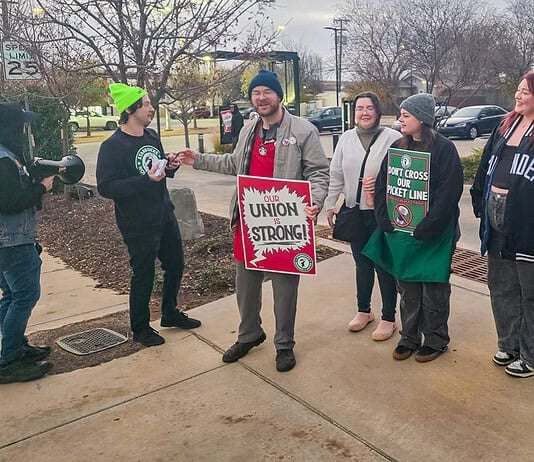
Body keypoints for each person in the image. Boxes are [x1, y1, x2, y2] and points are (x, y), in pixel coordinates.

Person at [179, 69, 329, 372]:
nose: (261, 98)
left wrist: (314, 201)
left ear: (279, 96)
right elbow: (234, 164)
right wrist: (199, 159)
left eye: (267, 92)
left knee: (284, 289)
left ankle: (284, 344)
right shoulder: (248, 130)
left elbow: (318, 172)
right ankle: (249, 334)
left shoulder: (303, 130)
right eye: (256, 93)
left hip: (286, 223)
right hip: (249, 221)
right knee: (246, 286)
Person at [96, 83, 201, 347]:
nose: (151, 108)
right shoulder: (112, 146)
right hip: (137, 222)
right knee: (143, 274)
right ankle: (140, 328)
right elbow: (106, 187)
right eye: (145, 104)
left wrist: (170, 166)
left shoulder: (152, 136)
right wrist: (146, 180)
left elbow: (157, 170)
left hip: (164, 214)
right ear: (129, 110)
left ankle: (169, 313)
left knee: (175, 264)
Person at [366, 93, 463, 362]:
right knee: (407, 287)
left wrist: (429, 225)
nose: (400, 120)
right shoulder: (397, 147)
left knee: (433, 289)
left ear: (422, 118)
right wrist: (383, 217)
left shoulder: (444, 149)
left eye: (406, 115)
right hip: (403, 233)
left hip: (435, 234)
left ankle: (435, 340)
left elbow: (449, 192)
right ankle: (408, 337)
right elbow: (385, 184)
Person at [470, 71, 534, 378]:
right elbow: (486, 164)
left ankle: (530, 355)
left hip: (527, 223)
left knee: (529, 291)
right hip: (496, 217)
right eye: (518, 90)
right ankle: (509, 344)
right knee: (501, 284)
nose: (518, 96)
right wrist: (478, 196)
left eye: (526, 92)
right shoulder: (506, 125)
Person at [325, 92, 401, 340]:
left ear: (378, 111)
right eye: (360, 108)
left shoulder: (393, 138)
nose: (364, 113)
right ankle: (364, 310)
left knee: (384, 266)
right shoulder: (346, 139)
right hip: (355, 212)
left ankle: (388, 317)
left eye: (369, 108)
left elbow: (401, 175)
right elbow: (336, 173)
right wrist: (330, 204)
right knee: (362, 263)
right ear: (354, 112)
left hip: (381, 214)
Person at [0, 102, 54, 383]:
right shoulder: (4, 160)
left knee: (12, 296)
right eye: (21, 126)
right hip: (11, 241)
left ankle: (15, 347)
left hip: (8, 240)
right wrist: (40, 188)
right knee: (24, 296)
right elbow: (9, 203)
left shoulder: (7, 156)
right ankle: (9, 360)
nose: (24, 131)